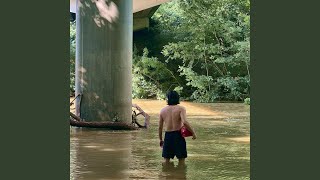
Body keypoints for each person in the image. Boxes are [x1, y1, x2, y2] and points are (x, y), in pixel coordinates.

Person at [158, 91, 197, 166]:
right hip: (178, 135)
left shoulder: (162, 111)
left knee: (166, 161)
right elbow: (185, 122)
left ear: (168, 99)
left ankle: (168, 175)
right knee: (181, 161)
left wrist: (160, 139)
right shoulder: (181, 109)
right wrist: (193, 133)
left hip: (168, 136)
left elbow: (160, 127)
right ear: (177, 98)